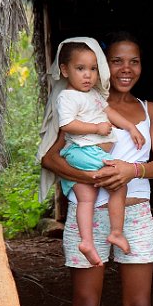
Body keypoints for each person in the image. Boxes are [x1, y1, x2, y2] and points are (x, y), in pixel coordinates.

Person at [39, 31, 153, 306]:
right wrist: (94, 179)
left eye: (134, 61)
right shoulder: (85, 107)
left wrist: (132, 169)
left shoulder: (151, 111)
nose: (125, 69)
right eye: (116, 61)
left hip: (135, 214)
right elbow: (50, 158)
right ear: (101, 64)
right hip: (91, 214)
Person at [56, 39, 145, 266]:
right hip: (83, 151)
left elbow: (110, 112)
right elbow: (67, 125)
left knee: (87, 198)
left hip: (88, 153)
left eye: (93, 69)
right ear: (65, 70)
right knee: (118, 182)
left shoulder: (94, 95)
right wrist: (96, 128)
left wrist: (131, 127)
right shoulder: (67, 97)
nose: (88, 75)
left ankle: (86, 242)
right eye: (80, 69)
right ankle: (116, 232)